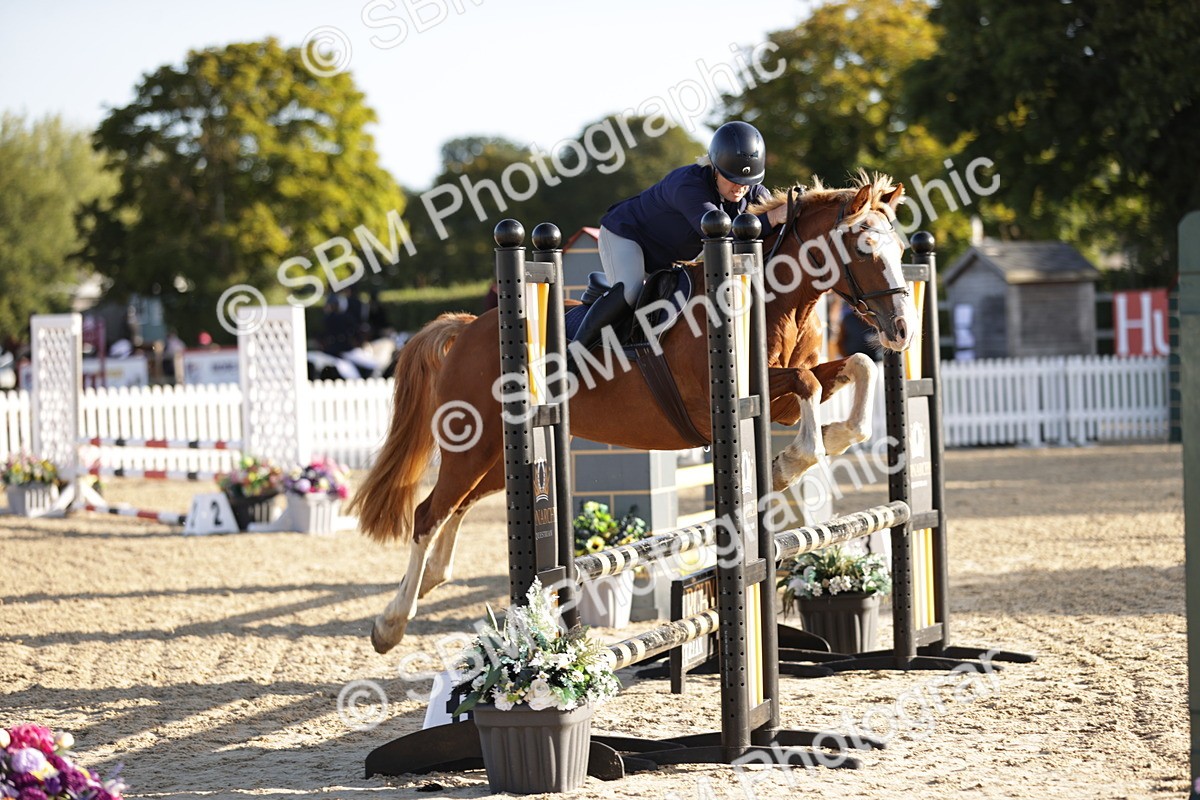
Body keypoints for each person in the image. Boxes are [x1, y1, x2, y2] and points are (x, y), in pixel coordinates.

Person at [573, 121, 790, 357]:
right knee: (631, 290)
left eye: (747, 182)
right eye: (732, 179)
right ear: (715, 168)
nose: (740, 188)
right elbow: (720, 235)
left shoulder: (752, 190)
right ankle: (574, 355)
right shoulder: (688, 185)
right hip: (627, 235)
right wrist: (773, 217)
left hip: (668, 258)